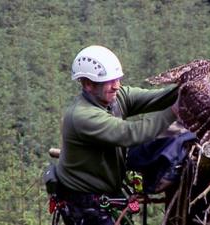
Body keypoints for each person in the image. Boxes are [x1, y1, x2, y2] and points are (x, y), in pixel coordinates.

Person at [55, 45, 179, 225]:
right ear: (88, 84)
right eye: (109, 81)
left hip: (105, 194)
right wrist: (176, 110)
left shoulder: (114, 98)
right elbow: (131, 133)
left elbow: (157, 98)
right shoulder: (82, 116)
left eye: (117, 79)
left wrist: (189, 88)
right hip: (83, 202)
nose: (116, 86)